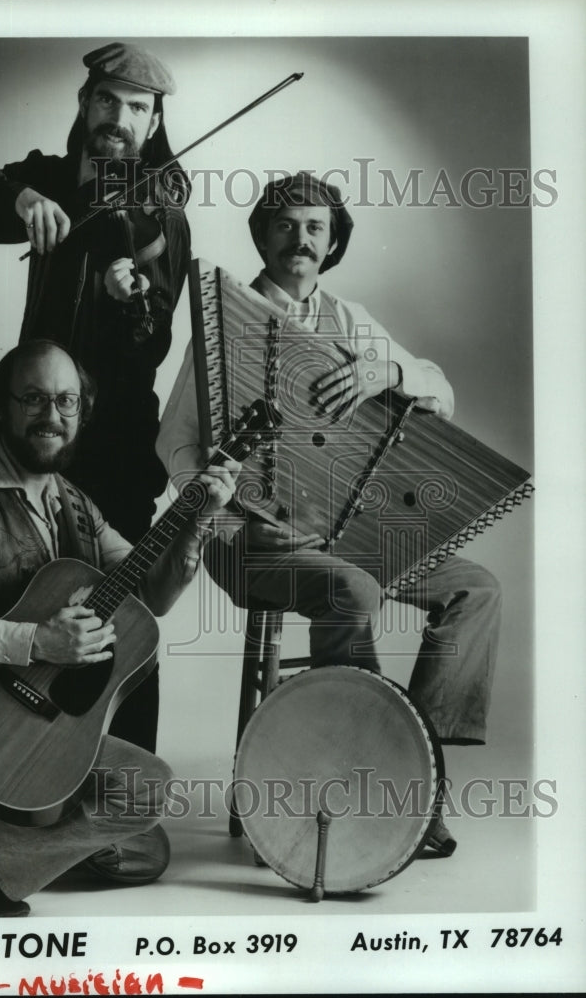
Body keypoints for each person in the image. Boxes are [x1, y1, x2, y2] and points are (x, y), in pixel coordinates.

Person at [156, 171, 502, 855]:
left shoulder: (349, 320)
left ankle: (414, 775)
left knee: (477, 588)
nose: (301, 239)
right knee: (353, 590)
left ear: (333, 241)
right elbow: (174, 441)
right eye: (286, 225)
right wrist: (220, 506)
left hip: (342, 528)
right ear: (263, 236)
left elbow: (440, 392)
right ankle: (361, 783)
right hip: (251, 536)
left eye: (315, 227)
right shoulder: (225, 319)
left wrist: (388, 373)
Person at [0, 339, 237, 916]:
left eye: (66, 401)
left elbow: (150, 594)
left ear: (82, 411)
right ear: (0, 406)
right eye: (33, 398)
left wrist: (197, 519)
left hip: (39, 725)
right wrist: (37, 640)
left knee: (148, 813)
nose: (51, 415)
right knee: (97, 835)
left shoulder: (74, 504)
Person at [0, 41, 192, 751]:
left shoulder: (163, 212)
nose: (118, 119)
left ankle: (121, 779)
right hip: (33, 432)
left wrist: (130, 304)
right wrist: (15, 197)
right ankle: (0, 767)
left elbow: (156, 339)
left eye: (137, 107)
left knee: (122, 614)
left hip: (116, 447)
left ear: (154, 121)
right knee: (12, 597)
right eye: (107, 100)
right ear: (85, 102)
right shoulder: (47, 180)